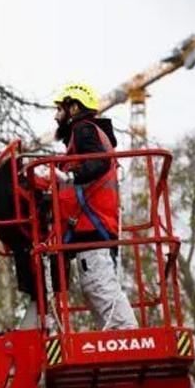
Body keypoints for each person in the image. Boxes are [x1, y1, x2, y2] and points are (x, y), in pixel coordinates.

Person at [49, 82, 138, 330]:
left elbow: (99, 164)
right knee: (95, 287)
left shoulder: (83, 130)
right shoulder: (87, 134)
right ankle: (116, 341)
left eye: (60, 109)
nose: (56, 116)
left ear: (74, 108)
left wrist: (71, 177)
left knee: (99, 286)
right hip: (96, 223)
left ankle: (129, 340)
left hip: (93, 224)